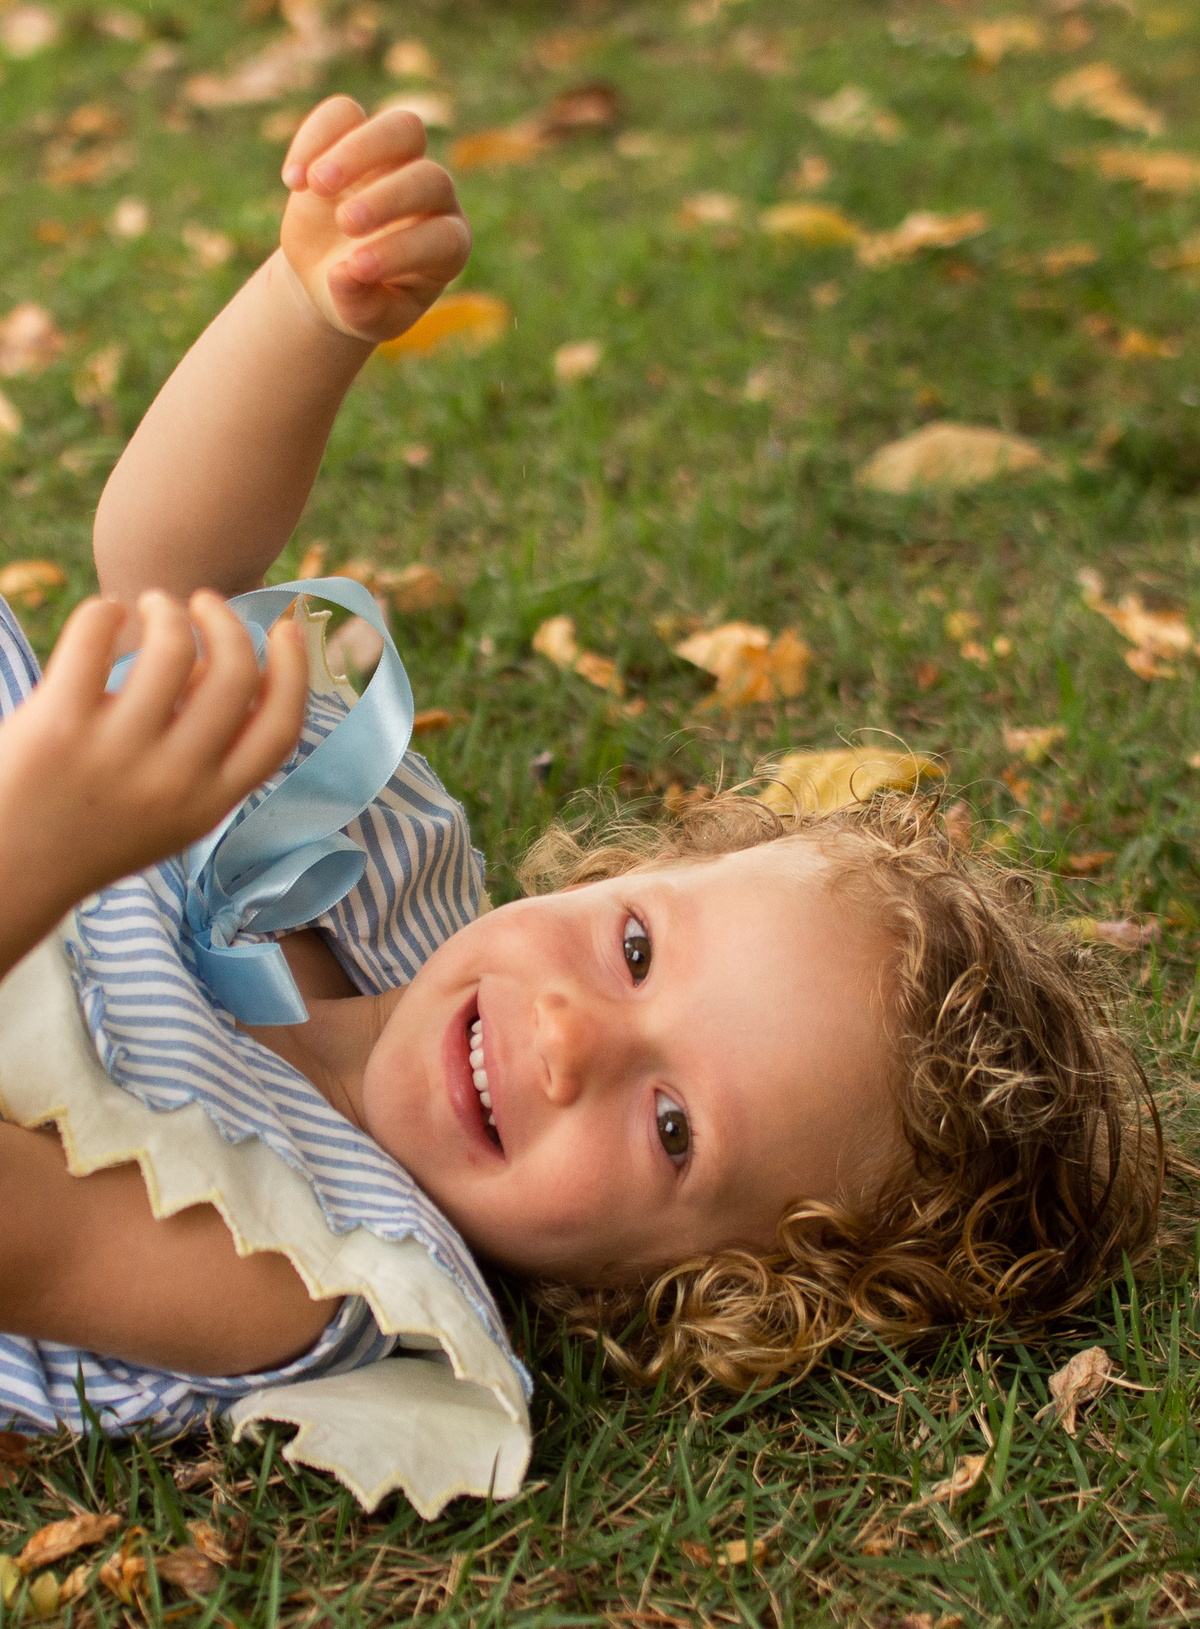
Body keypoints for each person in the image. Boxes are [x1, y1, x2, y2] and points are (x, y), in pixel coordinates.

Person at [0, 100, 1163, 1510]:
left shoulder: (295, 1270)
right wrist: (311, 311)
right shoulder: (363, 864)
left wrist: (42, 848)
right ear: (627, 871)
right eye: (635, 949)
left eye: (673, 1128)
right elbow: (164, 574)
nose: (565, 1039)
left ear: (690, 1292)